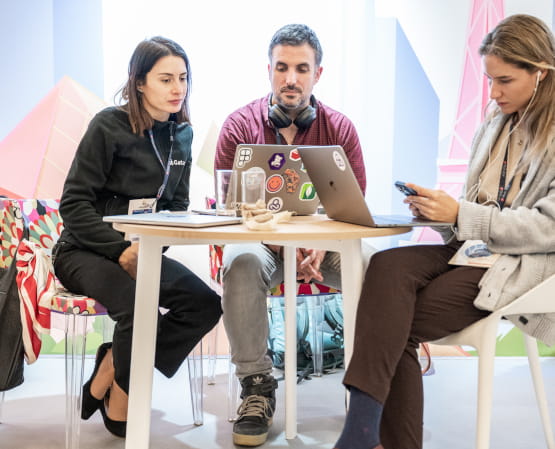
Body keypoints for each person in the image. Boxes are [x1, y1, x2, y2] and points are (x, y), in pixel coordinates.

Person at [333, 14, 555, 449]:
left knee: (394, 322)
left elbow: (548, 228)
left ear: (541, 72)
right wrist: (439, 211)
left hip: (521, 263)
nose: (493, 93)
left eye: (505, 80)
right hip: (473, 248)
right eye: (490, 80)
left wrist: (462, 214)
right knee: (386, 265)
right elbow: (476, 209)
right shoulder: (495, 124)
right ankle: (363, 434)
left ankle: (361, 433)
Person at [52, 36, 222, 438]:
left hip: (137, 251)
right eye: (165, 79)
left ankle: (113, 364)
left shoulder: (181, 136)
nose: (177, 88)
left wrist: (146, 248)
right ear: (139, 83)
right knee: (136, 305)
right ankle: (125, 398)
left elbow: (174, 207)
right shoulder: (108, 126)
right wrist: (119, 249)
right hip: (83, 249)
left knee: (204, 305)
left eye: (182, 78)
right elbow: (73, 204)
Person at [215, 23, 372, 447]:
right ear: (268, 69)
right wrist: (285, 244)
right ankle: (256, 387)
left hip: (325, 249)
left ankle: (370, 390)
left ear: (317, 74)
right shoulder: (237, 128)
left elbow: (353, 210)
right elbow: (229, 213)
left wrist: (319, 245)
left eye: (301, 68)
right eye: (282, 67)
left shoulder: (341, 130)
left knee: (376, 267)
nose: (290, 78)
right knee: (239, 261)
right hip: (264, 248)